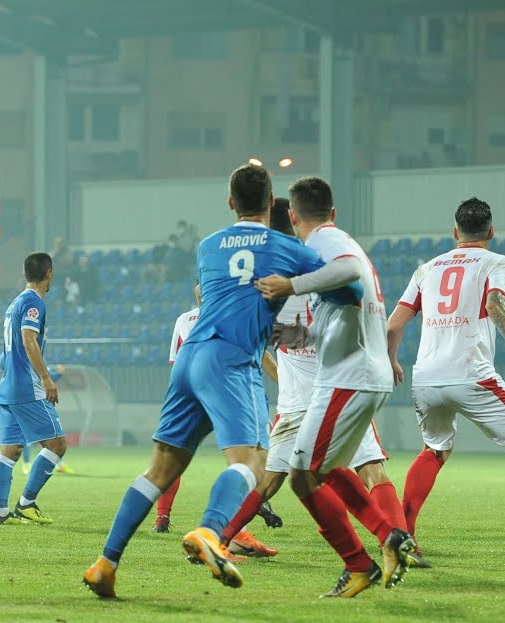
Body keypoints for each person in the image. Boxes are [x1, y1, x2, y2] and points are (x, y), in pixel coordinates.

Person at [82, 163, 360, 599]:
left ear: (230, 203)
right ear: (273, 204)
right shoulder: (284, 246)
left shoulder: (208, 246)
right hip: (232, 359)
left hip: (190, 355)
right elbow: (341, 274)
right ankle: (211, 532)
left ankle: (106, 563)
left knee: (160, 469)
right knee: (251, 461)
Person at [385, 197, 505, 569]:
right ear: (491, 231)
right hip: (470, 374)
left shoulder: (427, 269)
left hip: (425, 377)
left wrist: (392, 359)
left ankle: (404, 537)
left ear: (454, 232)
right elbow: (494, 305)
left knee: (434, 451)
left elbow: (394, 324)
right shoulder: (497, 262)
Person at [257, 177, 418, 598]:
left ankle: (359, 563)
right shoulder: (337, 239)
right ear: (334, 209)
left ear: (292, 217)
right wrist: (285, 336)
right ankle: (390, 536)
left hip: (349, 378)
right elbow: (338, 311)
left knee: (302, 477)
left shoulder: (325, 243)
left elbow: (347, 273)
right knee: (326, 472)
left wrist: (290, 285)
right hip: (357, 372)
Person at [151, 281, 281, 562]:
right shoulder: (228, 314)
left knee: (177, 455)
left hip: (199, 393)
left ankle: (229, 528)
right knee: (250, 460)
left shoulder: (189, 319)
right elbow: (260, 354)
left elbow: (179, 363)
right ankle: (232, 531)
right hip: (229, 395)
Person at [0, 252, 72, 525]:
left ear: (25, 274)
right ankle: (26, 503)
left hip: (8, 387)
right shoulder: (34, 303)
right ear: (49, 273)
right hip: (27, 387)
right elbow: (28, 339)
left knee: (10, 451)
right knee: (57, 445)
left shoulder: (14, 303)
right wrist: (47, 378)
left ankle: (2, 514)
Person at [0, 353, 75, 475]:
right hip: (25, 401)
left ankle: (55, 464)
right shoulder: (22, 354)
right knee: (35, 435)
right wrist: (59, 373)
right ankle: (28, 465)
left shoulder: (13, 353)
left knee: (47, 434)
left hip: (27, 400)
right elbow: (50, 378)